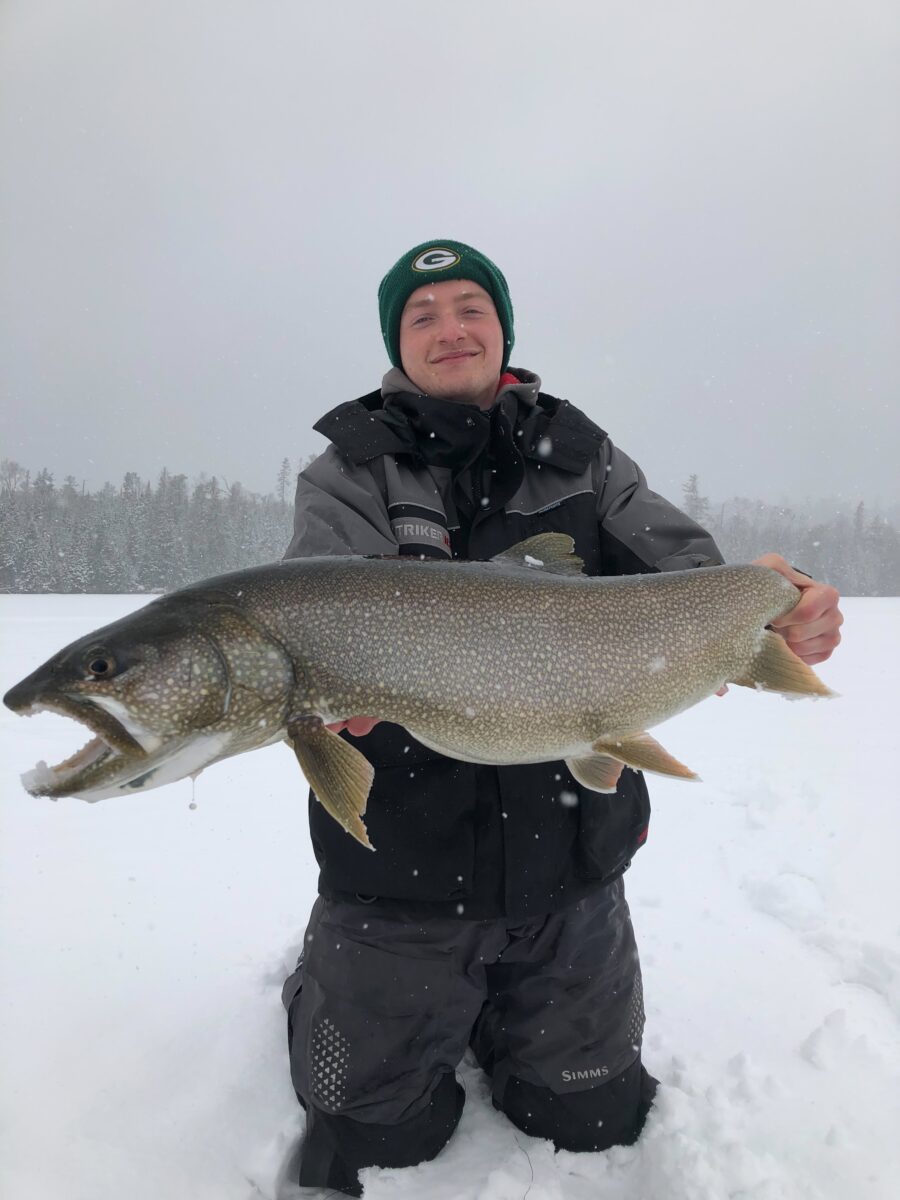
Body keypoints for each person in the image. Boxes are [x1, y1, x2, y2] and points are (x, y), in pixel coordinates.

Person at [281, 240, 843, 1196]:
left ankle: (506, 1005)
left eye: (470, 308)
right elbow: (313, 615)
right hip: (399, 873)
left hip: (570, 864)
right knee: (381, 1138)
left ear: (501, 331)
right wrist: (332, 700)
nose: (450, 328)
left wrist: (781, 613)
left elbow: (693, 583)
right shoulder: (351, 472)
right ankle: (328, 979)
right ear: (396, 344)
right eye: (423, 316)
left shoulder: (579, 454)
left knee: (589, 1116)